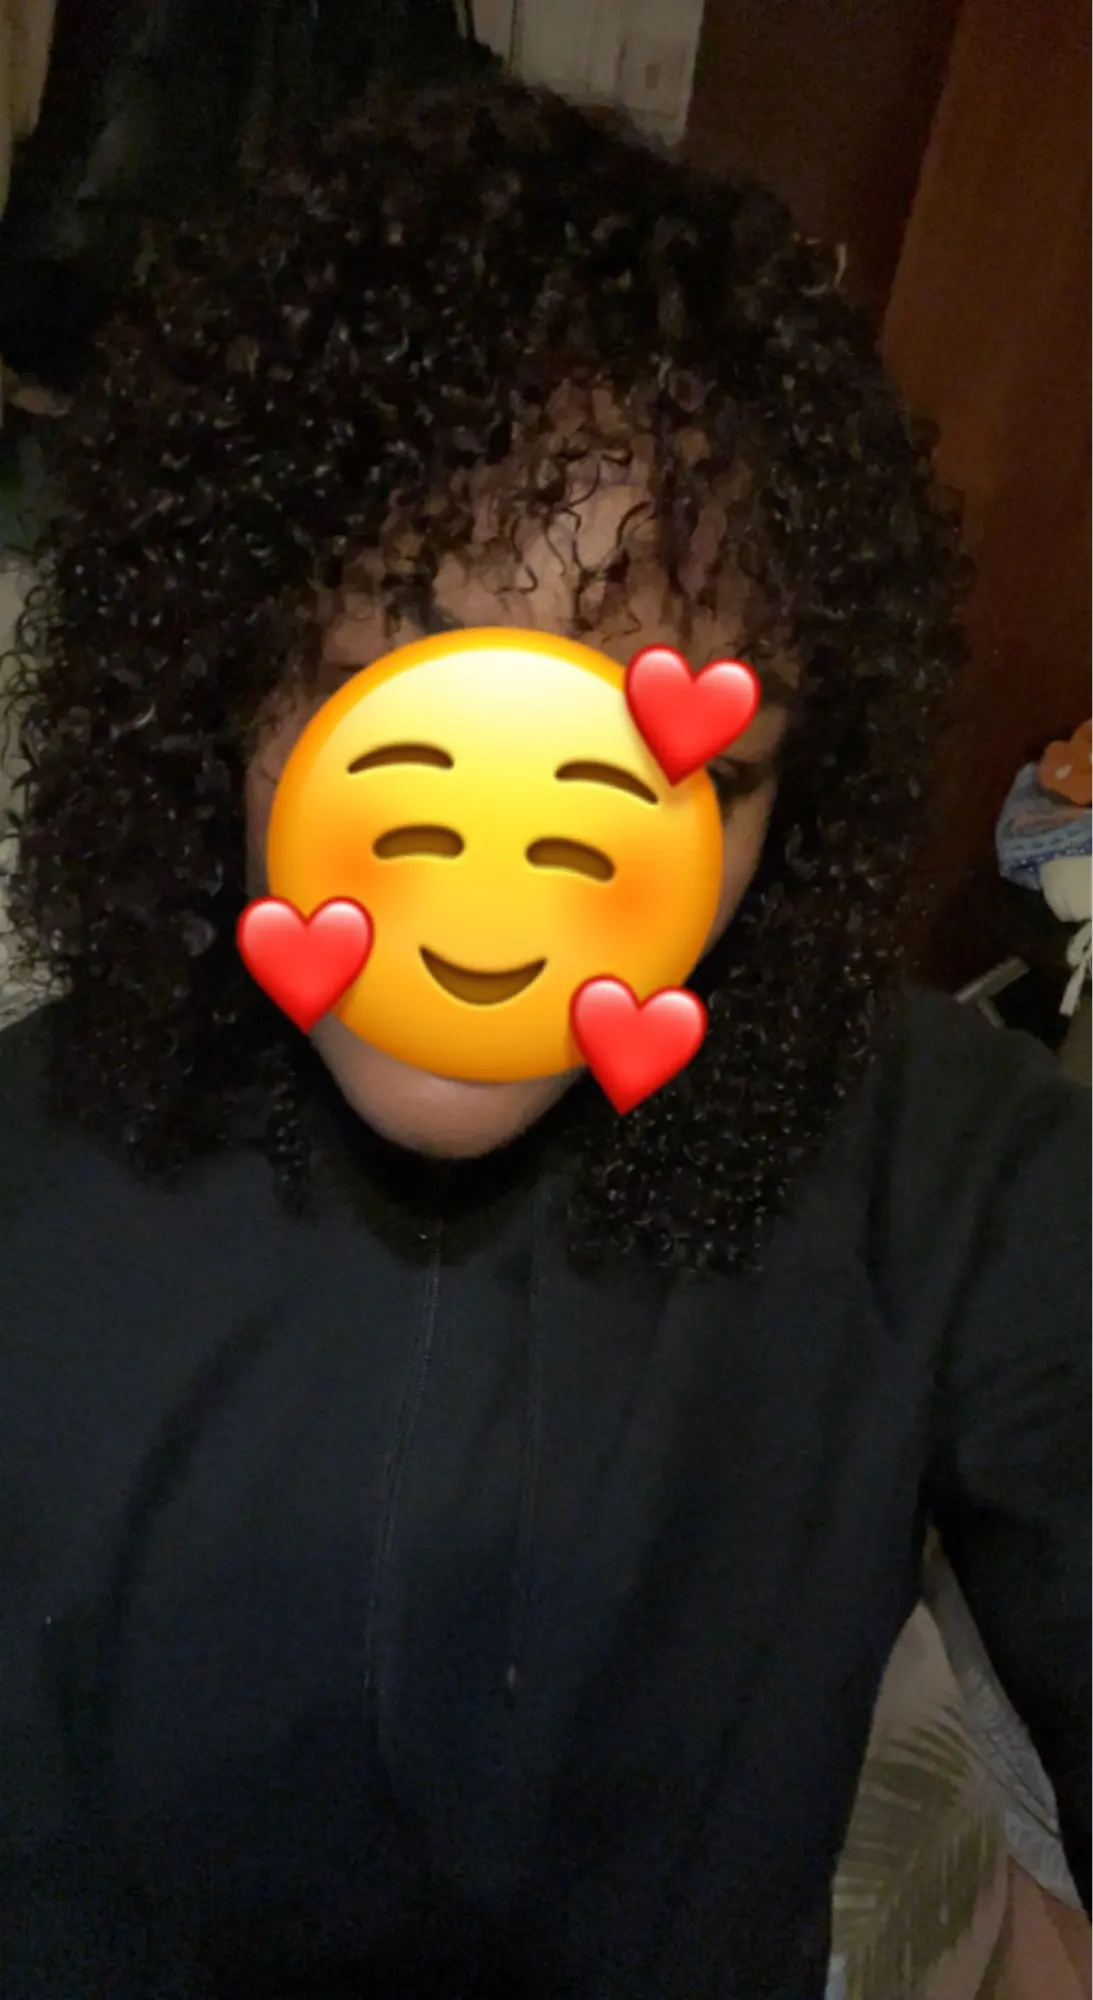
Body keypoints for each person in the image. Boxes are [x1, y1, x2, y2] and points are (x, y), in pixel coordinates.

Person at [0, 73, 1088, 2000]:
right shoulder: (27, 1170)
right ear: (228, 669)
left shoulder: (939, 1161)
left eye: (688, 768)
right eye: (403, 699)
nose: (507, 893)